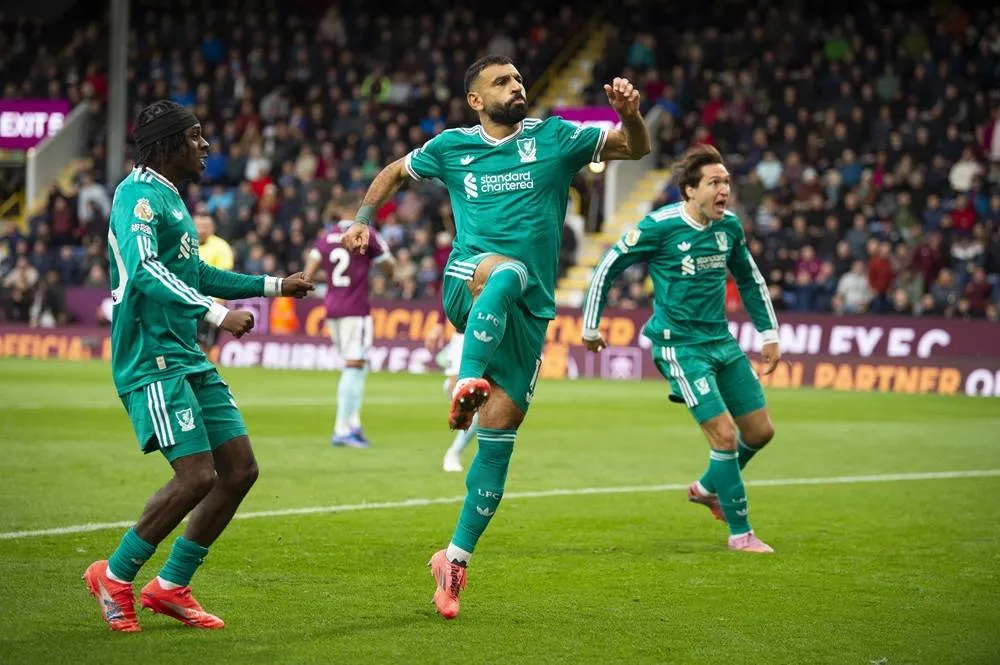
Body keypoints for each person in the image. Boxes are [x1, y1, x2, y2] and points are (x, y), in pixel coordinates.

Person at [342, 54, 650, 618]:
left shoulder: (556, 138)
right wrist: (364, 218)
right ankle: (466, 381)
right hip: (471, 279)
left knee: (500, 438)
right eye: (501, 82)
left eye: (518, 79)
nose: (516, 86)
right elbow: (393, 172)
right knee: (508, 271)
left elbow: (634, 148)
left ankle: (454, 561)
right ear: (476, 100)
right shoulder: (452, 147)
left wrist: (629, 114)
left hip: (529, 313)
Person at [83, 100, 314, 633]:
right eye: (194, 136)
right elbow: (143, 269)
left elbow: (197, 273)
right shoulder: (137, 196)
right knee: (196, 476)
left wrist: (275, 286)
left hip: (184, 352)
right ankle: (114, 576)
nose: (205, 145)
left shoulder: (171, 197)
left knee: (240, 470)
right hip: (151, 356)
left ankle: (171, 586)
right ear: (167, 144)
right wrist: (215, 314)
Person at [581, 144, 780, 554]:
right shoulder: (660, 226)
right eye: (714, 182)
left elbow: (750, 279)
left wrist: (769, 333)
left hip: (721, 341)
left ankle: (708, 487)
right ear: (690, 190)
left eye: (726, 182)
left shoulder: (730, 228)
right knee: (724, 436)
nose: (724, 190)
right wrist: (590, 325)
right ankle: (740, 533)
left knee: (761, 431)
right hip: (680, 348)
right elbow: (608, 265)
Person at [303, 208, 394, 448]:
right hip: (356, 309)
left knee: (358, 365)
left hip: (332, 309)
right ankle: (342, 429)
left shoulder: (326, 237)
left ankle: (353, 423)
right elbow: (389, 268)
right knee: (354, 366)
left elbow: (308, 272)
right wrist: (384, 262)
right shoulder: (367, 233)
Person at [425, 316, 476, 473]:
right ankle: (454, 453)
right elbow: (447, 298)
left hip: (495, 333)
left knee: (481, 403)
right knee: (465, 398)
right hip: (464, 334)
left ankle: (454, 453)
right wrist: (440, 323)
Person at [194, 213, 234, 353]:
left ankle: (205, 359)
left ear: (212, 228)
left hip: (209, 301)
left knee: (204, 343)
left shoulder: (221, 247)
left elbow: (224, 277)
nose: (200, 230)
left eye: (205, 226)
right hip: (185, 297)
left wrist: (219, 300)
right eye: (197, 226)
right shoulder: (183, 243)